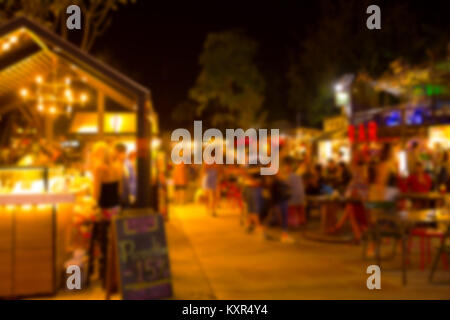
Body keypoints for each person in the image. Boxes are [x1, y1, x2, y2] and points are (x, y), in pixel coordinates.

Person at [328, 162, 369, 243]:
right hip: (362, 206)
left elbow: (358, 195)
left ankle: (340, 227)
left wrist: (355, 194)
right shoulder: (358, 180)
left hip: (365, 207)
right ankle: (355, 234)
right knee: (350, 207)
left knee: (350, 208)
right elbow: (351, 194)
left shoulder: (361, 181)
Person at [271, 162, 294, 243]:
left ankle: (284, 235)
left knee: (284, 218)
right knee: (283, 219)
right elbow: (274, 194)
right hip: (280, 202)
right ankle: (284, 235)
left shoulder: (281, 181)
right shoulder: (276, 183)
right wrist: (274, 205)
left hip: (282, 201)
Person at [285, 156, 306, 226]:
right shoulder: (297, 175)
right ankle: (301, 221)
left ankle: (293, 222)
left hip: (294, 198)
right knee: (299, 207)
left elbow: (287, 186)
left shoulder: (289, 176)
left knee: (291, 207)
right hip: (301, 197)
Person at [114, 143, 136, 208]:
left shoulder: (128, 164)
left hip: (126, 196)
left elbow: (133, 180)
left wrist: (132, 194)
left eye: (122, 153)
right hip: (117, 197)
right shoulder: (114, 164)